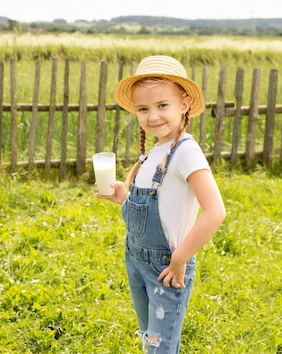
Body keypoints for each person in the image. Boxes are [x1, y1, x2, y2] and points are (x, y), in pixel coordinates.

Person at [95, 55, 226, 353]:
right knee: (149, 337)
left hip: (166, 267)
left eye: (162, 105)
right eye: (143, 109)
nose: (152, 116)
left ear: (185, 104)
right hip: (136, 259)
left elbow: (216, 211)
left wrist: (180, 259)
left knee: (160, 346)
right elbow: (158, 203)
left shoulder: (186, 152)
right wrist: (122, 196)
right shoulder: (155, 150)